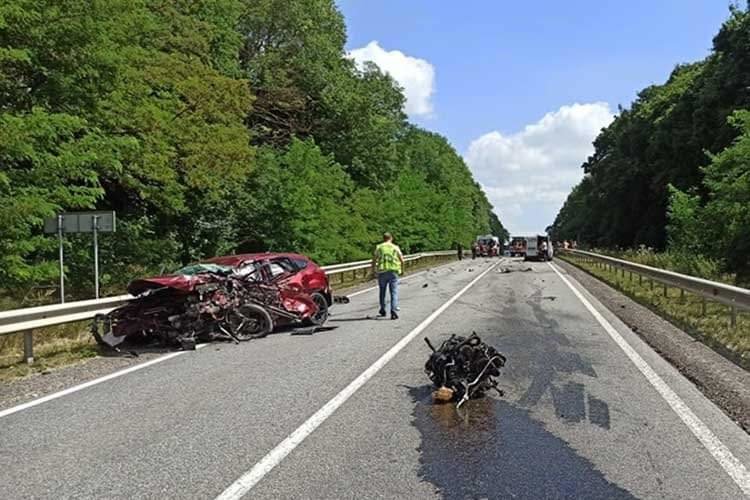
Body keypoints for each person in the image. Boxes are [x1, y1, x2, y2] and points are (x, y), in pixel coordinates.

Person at [372, 232, 405, 320]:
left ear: (383, 238)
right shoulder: (395, 247)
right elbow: (402, 260)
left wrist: (373, 271)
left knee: (382, 292)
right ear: (391, 238)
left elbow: (374, 260)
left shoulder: (379, 247)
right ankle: (393, 311)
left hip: (382, 271)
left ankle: (383, 309)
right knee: (393, 292)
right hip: (393, 271)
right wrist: (402, 270)